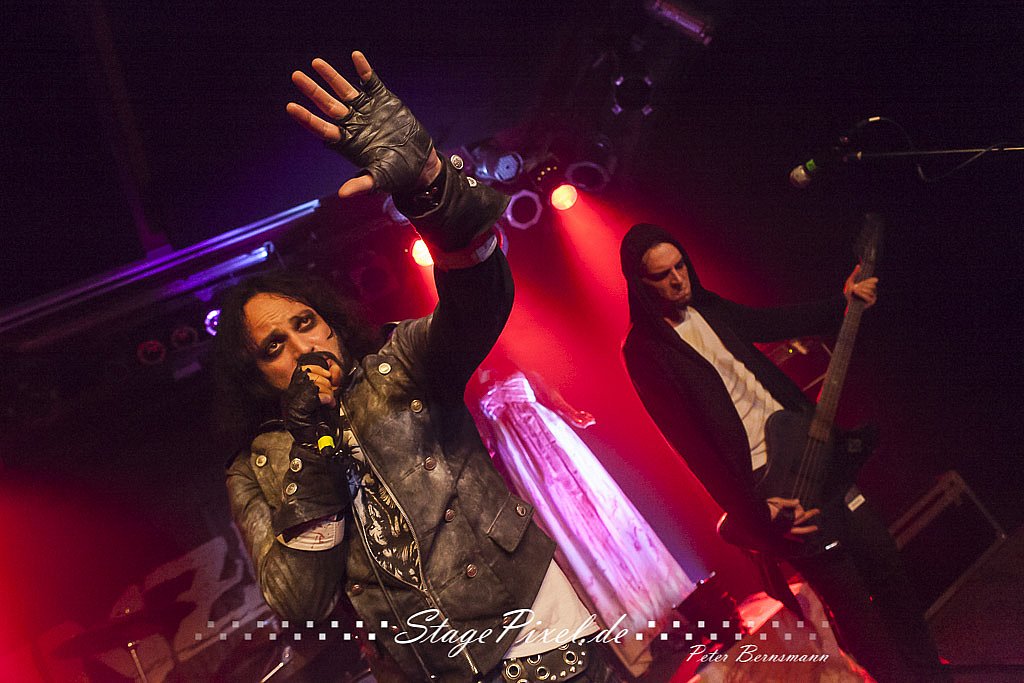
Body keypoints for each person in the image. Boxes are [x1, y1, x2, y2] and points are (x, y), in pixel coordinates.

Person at [217, 52, 623, 682]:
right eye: (273, 348)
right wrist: (309, 451)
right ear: (255, 376)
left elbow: (480, 301)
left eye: (306, 323)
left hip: (533, 628)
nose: (300, 347)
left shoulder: (398, 364)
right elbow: (300, 602)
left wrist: (432, 188)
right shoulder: (256, 467)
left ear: (332, 324)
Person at [618, 223, 944, 683]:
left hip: (809, 449)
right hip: (772, 484)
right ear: (640, 284)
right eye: (662, 275)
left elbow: (773, 323)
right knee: (853, 604)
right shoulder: (645, 351)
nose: (677, 280)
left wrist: (843, 303)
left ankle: (931, 676)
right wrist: (756, 513)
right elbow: (692, 448)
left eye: (680, 267)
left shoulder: (707, 307)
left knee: (886, 564)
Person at [476, 369, 696, 676]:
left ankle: (671, 620)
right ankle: (637, 642)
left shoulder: (518, 371)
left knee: (603, 516)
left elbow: (554, 400)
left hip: (555, 441)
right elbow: (486, 449)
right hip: (528, 468)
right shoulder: (473, 399)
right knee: (574, 536)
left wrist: (574, 415)